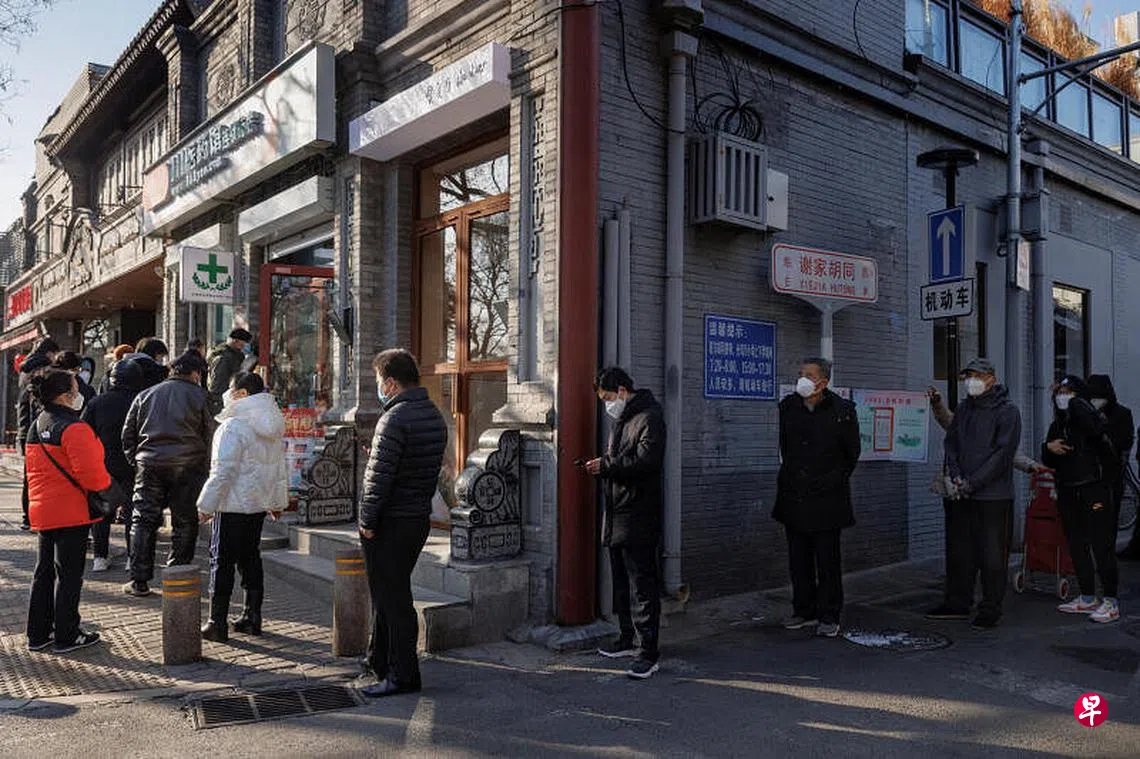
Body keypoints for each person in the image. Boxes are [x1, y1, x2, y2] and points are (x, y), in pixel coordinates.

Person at [358, 349, 446, 698]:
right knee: (389, 593)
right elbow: (415, 466)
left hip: (390, 521)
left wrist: (367, 520)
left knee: (393, 600)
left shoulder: (393, 418)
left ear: (391, 383)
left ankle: (402, 674)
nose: (379, 387)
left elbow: (378, 480)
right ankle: (378, 659)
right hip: (415, 518)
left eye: (379, 380)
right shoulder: (433, 414)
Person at [24, 369, 113, 654]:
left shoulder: (38, 424)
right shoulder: (74, 428)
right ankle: (67, 634)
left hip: (43, 509)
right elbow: (93, 477)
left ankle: (38, 633)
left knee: (43, 572)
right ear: (65, 395)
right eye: (76, 388)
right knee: (70, 575)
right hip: (72, 511)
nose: (80, 393)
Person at [587, 367, 666, 679]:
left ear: (622, 390)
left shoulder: (649, 417)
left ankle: (649, 653)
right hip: (617, 512)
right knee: (620, 581)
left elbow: (647, 461)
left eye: (608, 398)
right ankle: (626, 638)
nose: (607, 405)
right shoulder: (622, 419)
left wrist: (606, 466)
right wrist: (604, 467)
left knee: (642, 585)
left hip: (639, 515)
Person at [773, 357, 861, 638]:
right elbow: (786, 447)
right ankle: (803, 609)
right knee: (798, 559)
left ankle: (829, 614)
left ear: (823, 382)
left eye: (809, 375)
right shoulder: (789, 407)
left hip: (827, 499)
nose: (802, 379)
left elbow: (851, 454)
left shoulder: (842, 411)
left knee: (827, 561)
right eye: (801, 373)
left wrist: (828, 480)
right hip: (794, 495)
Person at [197, 372, 287, 643]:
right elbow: (278, 469)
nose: (228, 393)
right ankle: (252, 616)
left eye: (231, 388)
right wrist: (276, 502)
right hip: (257, 505)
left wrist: (206, 504)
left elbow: (222, 471)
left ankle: (217, 622)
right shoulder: (272, 422)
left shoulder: (233, 426)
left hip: (232, 505)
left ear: (243, 393)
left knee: (221, 561)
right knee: (250, 558)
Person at [933, 358, 1022, 630]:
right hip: (961, 494)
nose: (971, 381)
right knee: (959, 552)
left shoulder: (1007, 411)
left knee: (992, 556)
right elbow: (951, 444)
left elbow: (1002, 455)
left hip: (993, 497)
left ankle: (990, 608)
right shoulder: (964, 408)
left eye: (977, 376)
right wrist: (956, 476)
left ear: (991, 379)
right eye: (968, 376)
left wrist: (971, 483)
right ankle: (957, 603)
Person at [121, 350, 213, 597]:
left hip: (149, 464)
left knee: (143, 519)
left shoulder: (146, 395)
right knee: (185, 521)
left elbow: (128, 435)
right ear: (196, 374)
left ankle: (139, 580)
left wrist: (137, 461)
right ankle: (178, 574)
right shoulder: (201, 396)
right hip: (188, 465)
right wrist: (206, 468)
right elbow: (210, 434)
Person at [1042, 377, 1121, 623]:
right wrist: (1048, 448)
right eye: (1060, 392)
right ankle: (1087, 596)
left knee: (1101, 544)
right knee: (1077, 544)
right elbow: (1049, 459)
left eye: (1069, 392)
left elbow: (1104, 443)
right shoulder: (1058, 425)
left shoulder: (1092, 422)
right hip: (1068, 490)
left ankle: (1111, 601)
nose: (1062, 396)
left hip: (1094, 489)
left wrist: (1078, 406)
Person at [81, 359, 144, 572]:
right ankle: (132, 557)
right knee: (133, 512)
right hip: (134, 465)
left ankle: (100, 557)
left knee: (102, 511)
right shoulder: (142, 400)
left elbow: (84, 433)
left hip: (103, 464)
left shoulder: (97, 403)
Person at [1083, 376, 1138, 560]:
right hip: (1089, 476)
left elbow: (1126, 442)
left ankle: (1105, 554)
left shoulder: (1122, 414)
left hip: (1111, 476)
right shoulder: (1086, 413)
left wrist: (1105, 430)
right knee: (1093, 513)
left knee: (1109, 515)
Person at [16, 343, 57, 531]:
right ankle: (34, 517)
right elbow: (36, 412)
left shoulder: (25, 372)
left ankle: (28, 517)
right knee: (37, 478)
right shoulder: (39, 376)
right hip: (36, 433)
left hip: (25, 431)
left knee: (30, 477)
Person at [207, 328, 253, 414]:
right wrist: (219, 402)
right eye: (244, 343)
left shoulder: (236, 355)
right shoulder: (224, 358)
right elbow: (217, 383)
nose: (245, 346)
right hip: (221, 401)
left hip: (230, 397)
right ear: (235, 341)